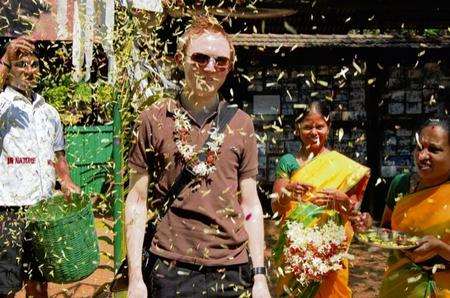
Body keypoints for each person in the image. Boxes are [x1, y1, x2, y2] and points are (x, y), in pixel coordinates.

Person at [125, 16, 270, 297]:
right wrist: (135, 279)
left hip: (232, 269)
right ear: (181, 58)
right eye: (200, 58)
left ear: (230, 66)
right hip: (170, 267)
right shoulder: (153, 119)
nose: (211, 68)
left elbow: (250, 203)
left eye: (221, 61)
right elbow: (137, 200)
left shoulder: (242, 124)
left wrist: (260, 277)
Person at [0, 38, 80, 297]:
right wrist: (4, 57)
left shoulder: (49, 111)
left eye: (33, 64)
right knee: (6, 283)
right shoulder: (3, 104)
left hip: (43, 209)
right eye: (21, 64)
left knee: (39, 280)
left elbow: (58, 153)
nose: (29, 70)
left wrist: (66, 180)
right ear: (10, 69)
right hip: (9, 208)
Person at [272, 101, 371, 297]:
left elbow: (353, 215)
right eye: (307, 126)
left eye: (320, 126)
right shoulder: (289, 162)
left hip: (330, 252)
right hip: (297, 251)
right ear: (297, 129)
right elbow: (276, 206)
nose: (314, 132)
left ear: (329, 127)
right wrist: (288, 192)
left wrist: (342, 201)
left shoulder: (342, 165)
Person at [379, 118, 450, 297]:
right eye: (419, 147)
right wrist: (365, 227)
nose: (421, 156)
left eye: (433, 150)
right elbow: (385, 229)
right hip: (398, 286)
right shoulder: (401, 184)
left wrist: (441, 248)